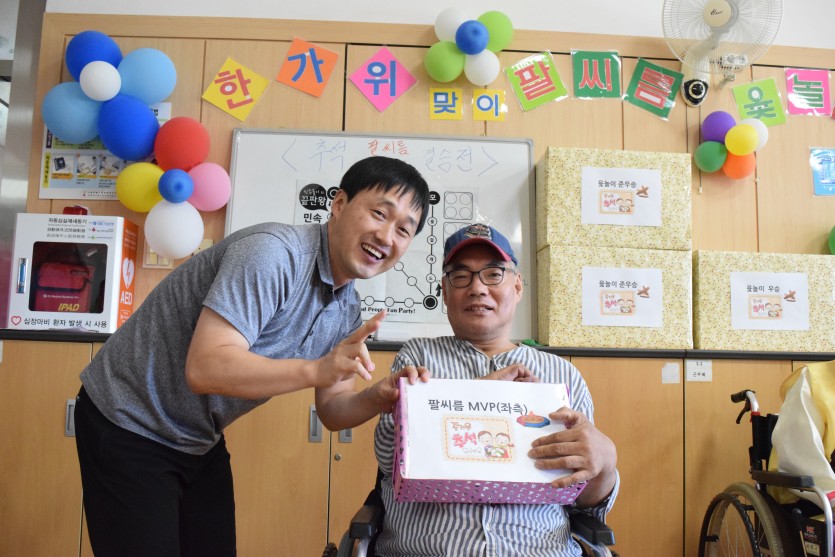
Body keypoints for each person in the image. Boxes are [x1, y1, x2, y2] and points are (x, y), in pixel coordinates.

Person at [73, 156, 430, 557]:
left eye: (404, 229)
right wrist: (316, 369)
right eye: (379, 213)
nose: (386, 236)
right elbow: (206, 367)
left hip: (197, 438)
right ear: (340, 204)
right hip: (128, 417)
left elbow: (333, 410)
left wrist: (379, 396)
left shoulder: (346, 307)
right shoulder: (273, 253)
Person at [318, 222, 618, 557]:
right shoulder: (419, 358)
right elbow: (394, 461)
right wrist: (479, 396)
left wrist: (605, 463)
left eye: (493, 274)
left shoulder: (562, 375)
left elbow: (584, 500)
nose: (477, 288)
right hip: (426, 550)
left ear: (517, 285)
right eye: (460, 276)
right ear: (445, 293)